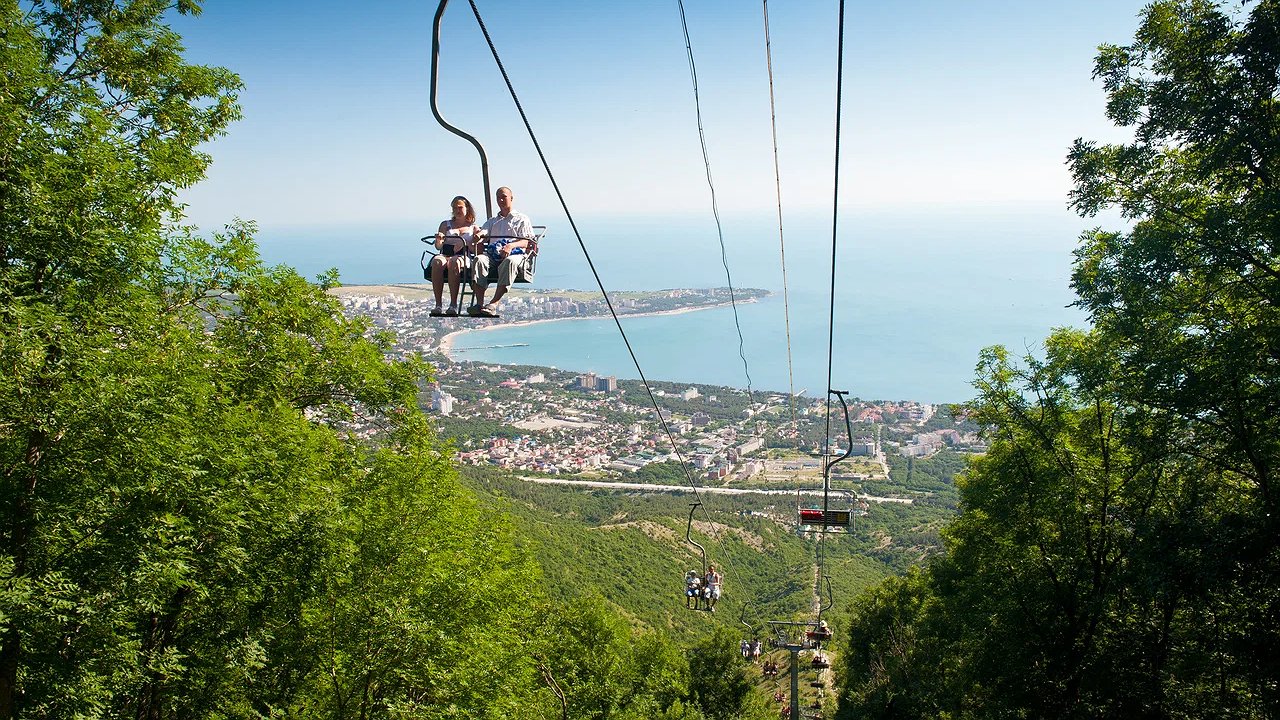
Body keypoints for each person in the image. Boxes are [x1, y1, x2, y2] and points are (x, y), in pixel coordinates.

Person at [470, 186, 534, 317]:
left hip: (516, 254)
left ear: (511, 198)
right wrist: (479, 235)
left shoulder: (521, 219)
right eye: (498, 197)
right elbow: (485, 231)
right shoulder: (493, 221)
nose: (501, 200)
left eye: (503, 197)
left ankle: (494, 303)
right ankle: (479, 303)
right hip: (494, 255)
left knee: (509, 261)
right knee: (479, 260)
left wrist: (510, 246)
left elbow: (527, 241)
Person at [430, 195, 480, 316]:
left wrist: (467, 243)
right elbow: (438, 247)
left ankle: (453, 304)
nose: (457, 210)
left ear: (466, 208)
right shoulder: (445, 224)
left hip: (462, 256)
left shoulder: (473, 227)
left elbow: (476, 250)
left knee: (454, 262)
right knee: (437, 261)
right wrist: (439, 240)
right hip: (446, 253)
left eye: (460, 207)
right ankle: (438, 304)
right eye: (455, 208)